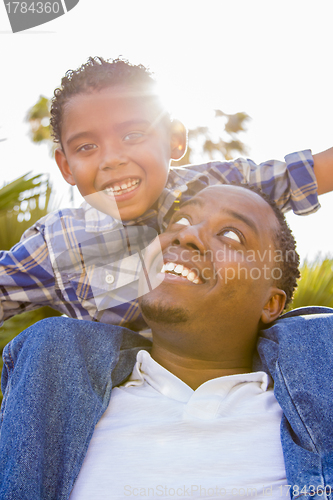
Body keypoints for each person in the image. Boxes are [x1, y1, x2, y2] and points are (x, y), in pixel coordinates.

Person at [1, 184, 332, 499]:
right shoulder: (52, 397)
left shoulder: (313, 409)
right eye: (182, 220)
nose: (186, 234)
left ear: (270, 304)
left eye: (231, 234)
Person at [1, 56, 333, 333]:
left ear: (174, 140)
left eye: (132, 135)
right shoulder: (56, 242)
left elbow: (309, 172)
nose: (111, 159)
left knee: (306, 333)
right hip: (123, 395)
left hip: (227, 370)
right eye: (87, 147)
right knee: (51, 340)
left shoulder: (221, 185)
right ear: (67, 167)